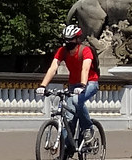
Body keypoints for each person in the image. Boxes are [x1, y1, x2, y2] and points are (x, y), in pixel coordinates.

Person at [36, 24, 99, 152]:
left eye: (70, 39)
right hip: (73, 85)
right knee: (69, 118)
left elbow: (85, 68)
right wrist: (43, 85)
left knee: (76, 101)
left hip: (90, 83)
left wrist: (82, 85)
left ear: (77, 39)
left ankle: (88, 129)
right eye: (66, 39)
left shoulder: (85, 50)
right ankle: (66, 150)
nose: (67, 42)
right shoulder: (62, 51)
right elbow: (53, 68)